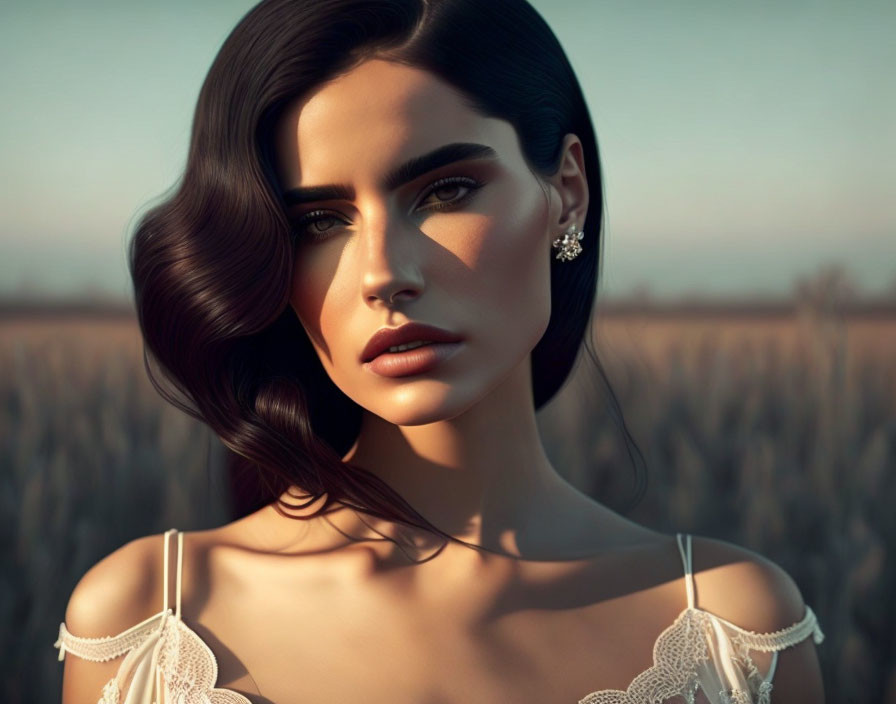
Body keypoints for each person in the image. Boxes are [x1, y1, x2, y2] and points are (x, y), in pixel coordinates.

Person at [53, 1, 825, 702]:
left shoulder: (732, 627)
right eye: (320, 221)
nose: (385, 273)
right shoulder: (147, 621)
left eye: (445, 191)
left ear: (567, 191)